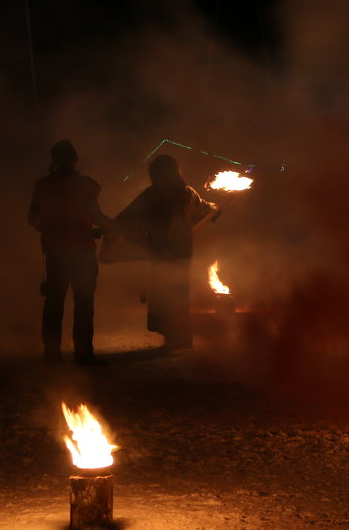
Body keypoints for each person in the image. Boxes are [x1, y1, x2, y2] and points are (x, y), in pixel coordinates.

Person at [115, 154, 219, 350]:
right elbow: (205, 209)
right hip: (180, 254)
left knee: (166, 294)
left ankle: (174, 337)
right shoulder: (188, 193)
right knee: (176, 294)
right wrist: (215, 209)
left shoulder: (156, 193)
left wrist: (109, 227)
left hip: (163, 252)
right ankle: (179, 338)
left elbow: (128, 215)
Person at [28, 140, 115, 366]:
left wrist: (48, 226)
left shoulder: (43, 185)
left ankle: (52, 353)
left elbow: (33, 218)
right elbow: (95, 215)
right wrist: (112, 227)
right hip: (82, 253)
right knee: (84, 304)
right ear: (75, 160)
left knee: (54, 304)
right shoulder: (87, 186)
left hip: (55, 253)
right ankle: (84, 353)